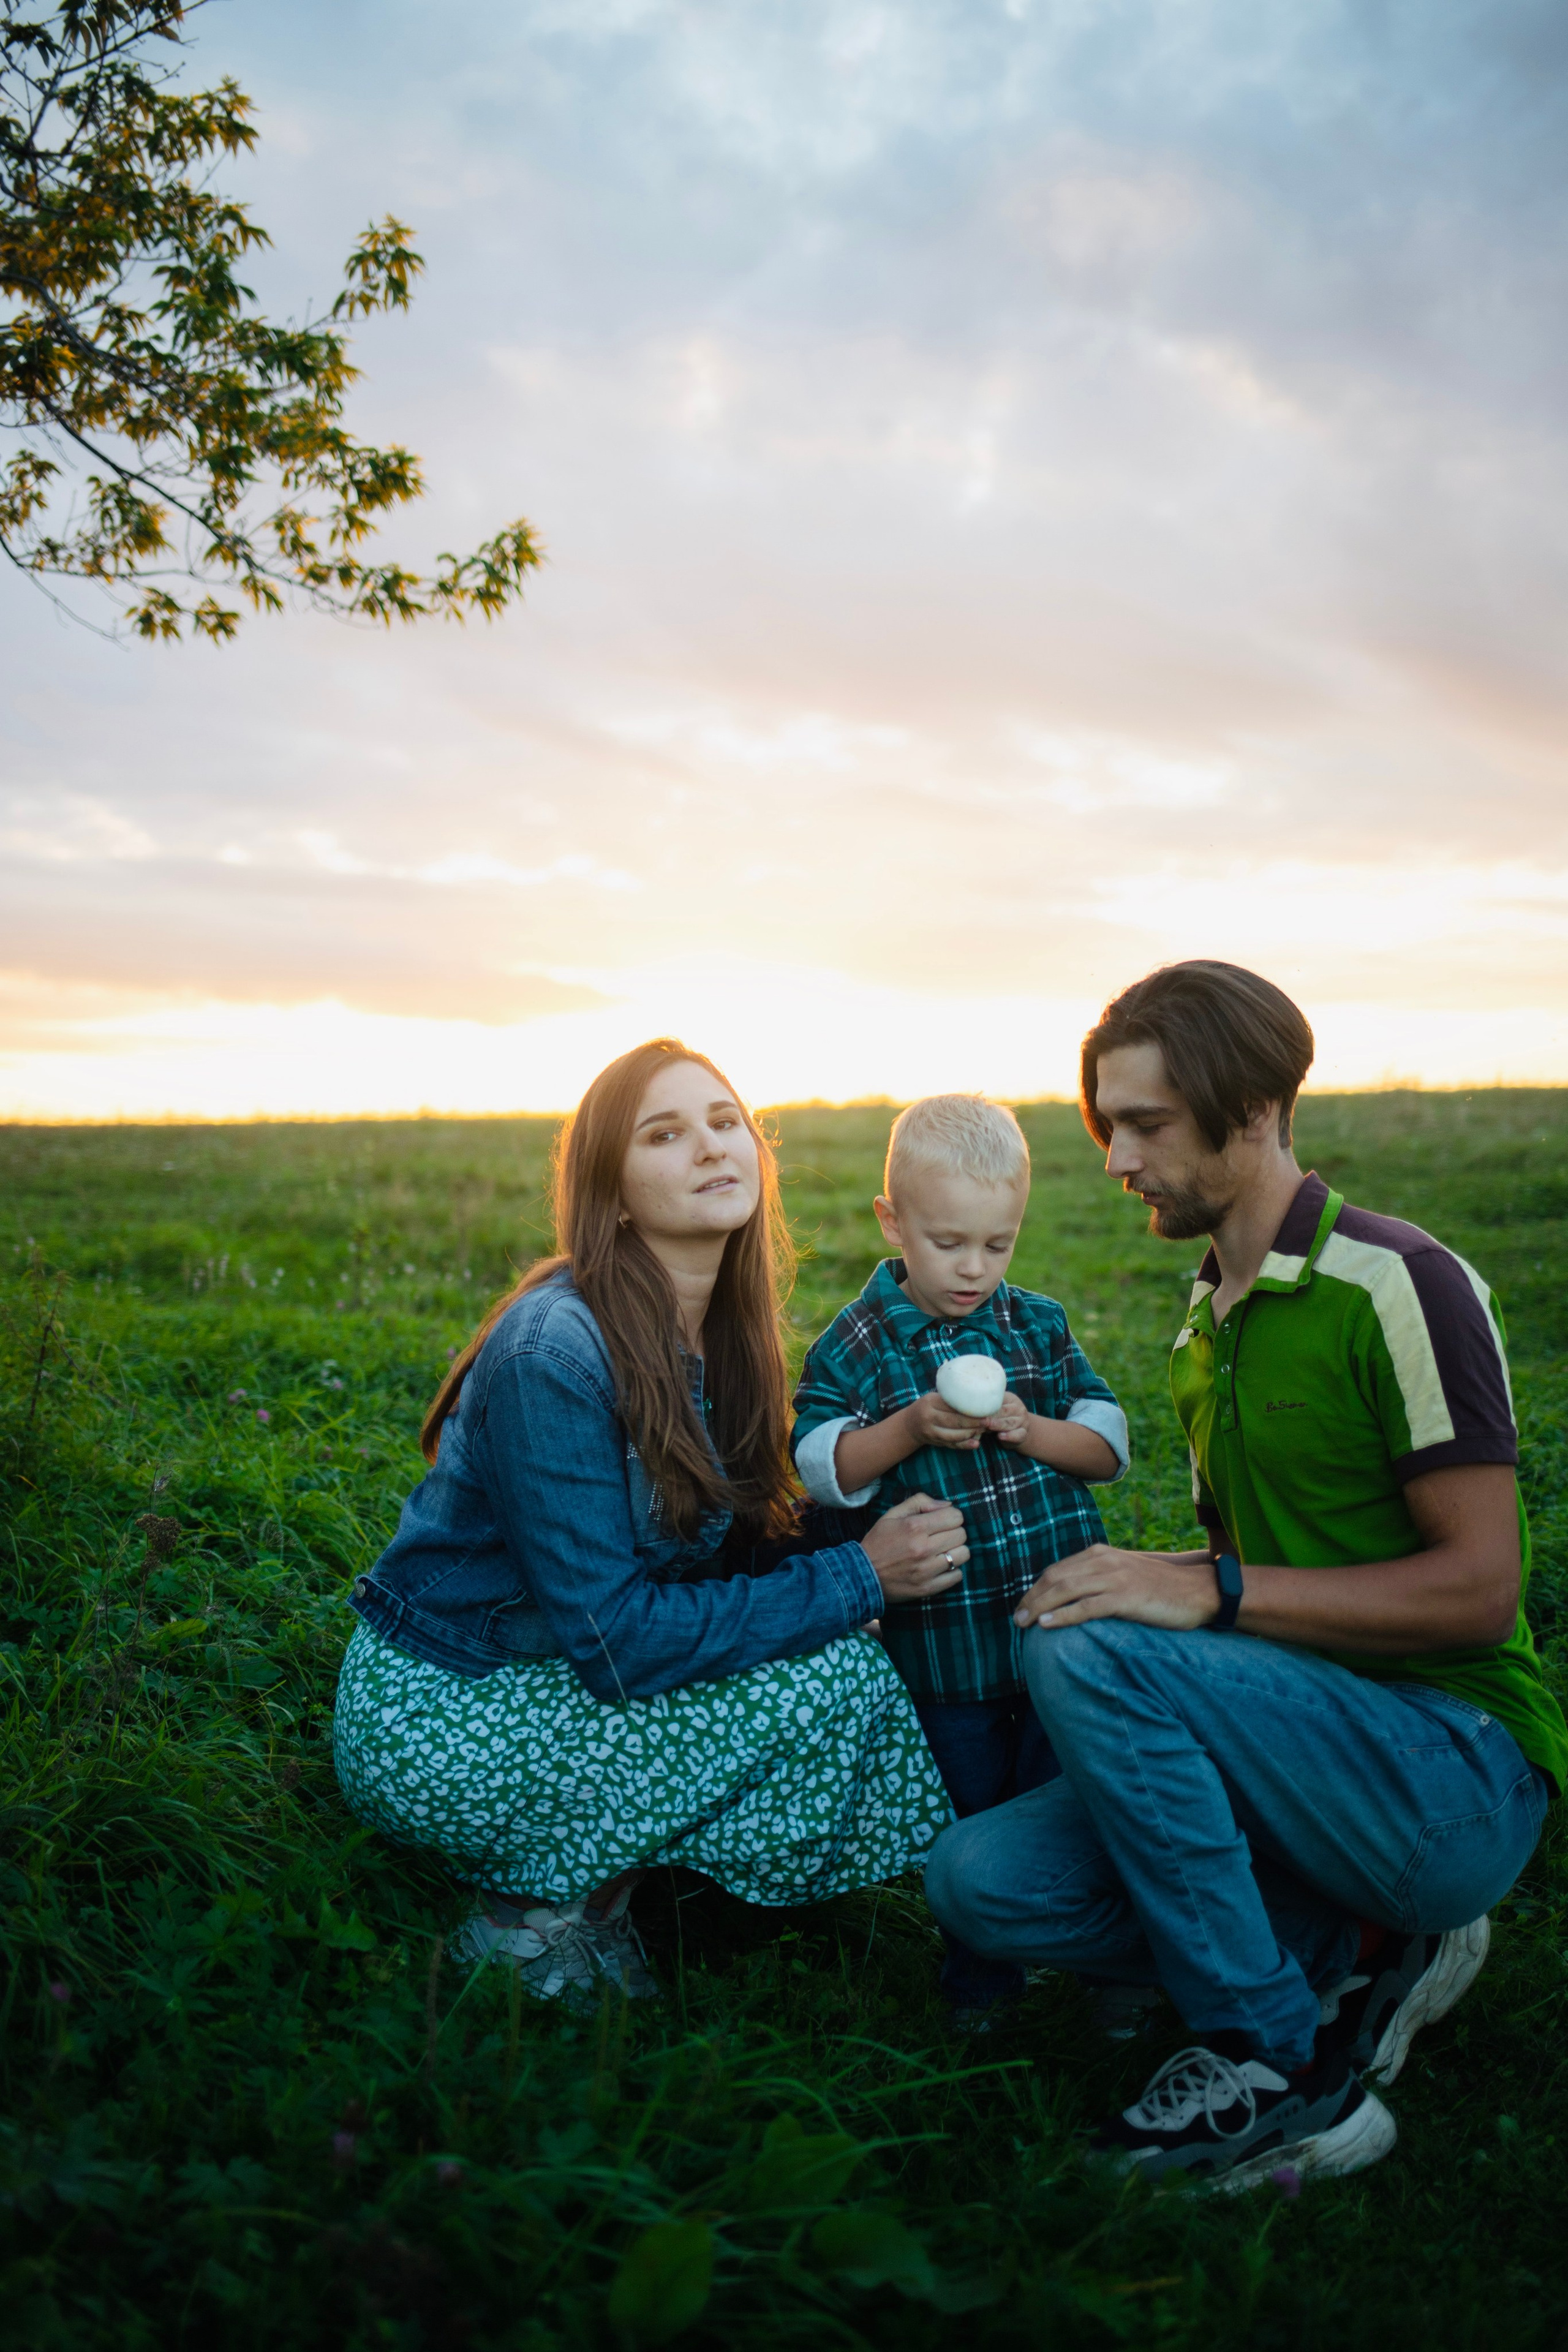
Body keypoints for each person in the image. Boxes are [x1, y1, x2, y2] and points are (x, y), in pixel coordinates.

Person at [925, 961, 1564, 2192]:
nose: (1116, 1159)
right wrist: (1153, 1571)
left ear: (1258, 1107)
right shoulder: (1198, 1322)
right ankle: (1357, 1947)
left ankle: (1274, 2067)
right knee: (977, 1883)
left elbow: (1479, 1591)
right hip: (1296, 1743)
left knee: (1084, 1646)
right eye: (1106, 1126)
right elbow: (1254, 1571)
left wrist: (1203, 1593)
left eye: (1146, 1125)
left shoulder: (1396, 1286)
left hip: (1452, 1764)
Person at [333, 1038, 967, 2003]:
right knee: (830, 1676)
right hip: (444, 1714)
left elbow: (739, 1544)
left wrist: (895, 1522)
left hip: (548, 1679)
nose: (713, 1148)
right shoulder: (554, 1350)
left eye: (726, 1124)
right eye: (666, 1134)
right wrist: (856, 1581)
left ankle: (608, 1872)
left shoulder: (721, 1329)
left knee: (851, 1650)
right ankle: (536, 1919)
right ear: (615, 1194)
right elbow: (617, 1643)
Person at [791, 1094, 1128, 2024]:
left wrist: (1033, 1426)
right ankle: (981, 1986)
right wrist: (902, 1429)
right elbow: (820, 1465)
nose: (975, 1269)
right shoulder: (858, 1341)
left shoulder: (1037, 1327)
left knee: (1070, 1798)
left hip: (1061, 1632)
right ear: (893, 1222)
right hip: (946, 1654)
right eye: (948, 1243)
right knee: (970, 1810)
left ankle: (1111, 1966)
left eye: (998, 1244)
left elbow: (1106, 1444)